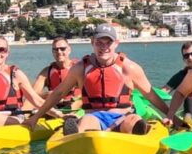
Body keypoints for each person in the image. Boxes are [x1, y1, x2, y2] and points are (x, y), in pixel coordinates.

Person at [28, 22, 172, 135]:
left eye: (108, 42)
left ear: (116, 43)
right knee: (86, 122)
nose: (104, 47)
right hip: (94, 117)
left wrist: (172, 117)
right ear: (92, 42)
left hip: (123, 116)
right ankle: (78, 133)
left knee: (133, 121)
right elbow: (58, 93)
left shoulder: (130, 68)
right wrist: (36, 117)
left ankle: (135, 133)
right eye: (99, 43)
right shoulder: (80, 68)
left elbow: (151, 95)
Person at [164, 39, 192, 123]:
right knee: (190, 100)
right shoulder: (181, 75)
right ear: (183, 59)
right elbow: (163, 92)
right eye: (186, 56)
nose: (190, 58)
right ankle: (190, 123)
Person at [36, 35, 78, 109]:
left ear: (69, 50)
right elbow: (32, 95)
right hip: (55, 108)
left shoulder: (80, 68)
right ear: (52, 52)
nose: (59, 52)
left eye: (62, 49)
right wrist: (46, 95)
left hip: (77, 108)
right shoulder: (46, 72)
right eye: (55, 49)